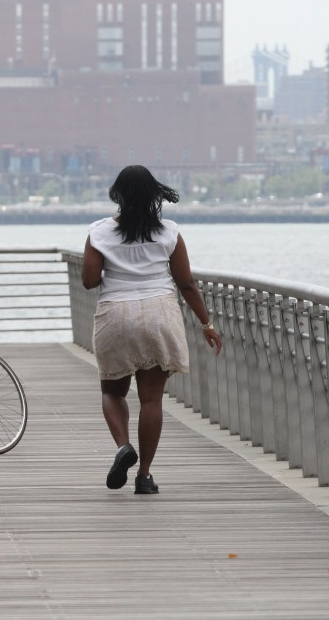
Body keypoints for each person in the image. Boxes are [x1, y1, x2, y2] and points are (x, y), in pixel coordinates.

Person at [81, 165, 222, 495]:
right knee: (151, 400)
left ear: (118, 194)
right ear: (154, 195)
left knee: (112, 392)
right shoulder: (169, 232)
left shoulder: (99, 232)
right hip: (159, 312)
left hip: (116, 313)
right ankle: (144, 475)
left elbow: (88, 282)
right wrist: (207, 324)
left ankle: (123, 446)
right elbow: (185, 283)